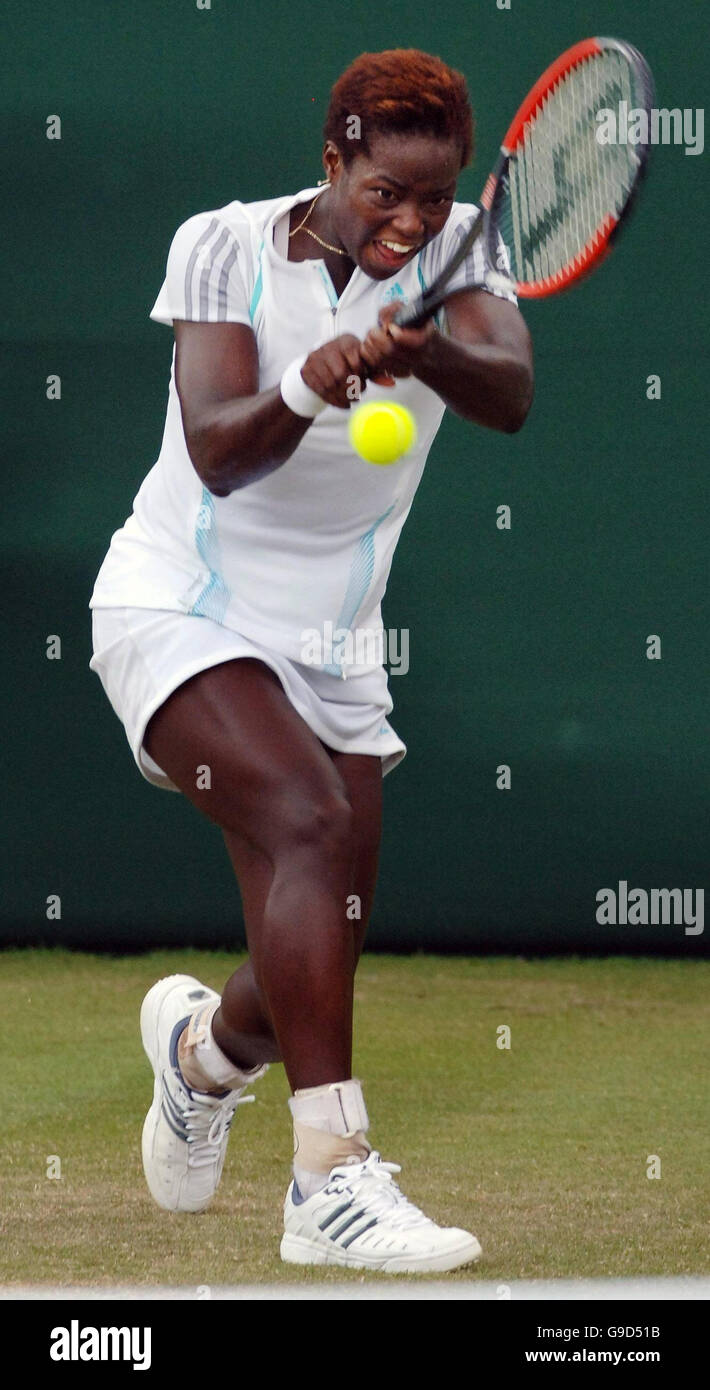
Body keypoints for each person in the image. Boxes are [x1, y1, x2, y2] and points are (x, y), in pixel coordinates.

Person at [89, 47, 533, 1274]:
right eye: (383, 191)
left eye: (431, 199)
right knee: (310, 829)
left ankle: (199, 1061)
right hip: (181, 603)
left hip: (336, 642)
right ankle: (328, 1183)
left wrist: (416, 346)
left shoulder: (462, 257)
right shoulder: (220, 246)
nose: (407, 223)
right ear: (333, 157)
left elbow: (506, 391)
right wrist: (312, 374)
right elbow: (222, 446)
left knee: (318, 937)